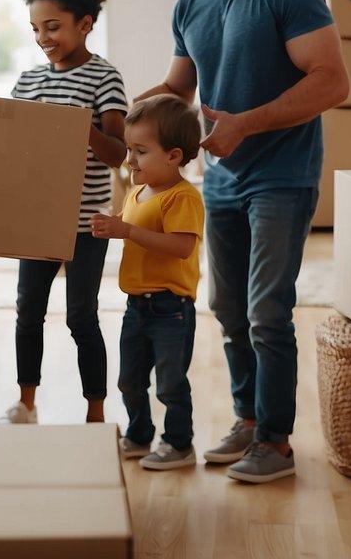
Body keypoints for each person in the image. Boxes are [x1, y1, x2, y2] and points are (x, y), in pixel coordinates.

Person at [138, 0, 349, 484]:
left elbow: (333, 82)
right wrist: (115, 112)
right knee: (227, 308)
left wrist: (245, 125)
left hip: (282, 173)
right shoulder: (192, 1)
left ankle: (278, 443)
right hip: (223, 178)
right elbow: (180, 89)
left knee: (267, 310)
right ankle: (249, 420)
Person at [0, 0, 128, 425]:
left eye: (52, 26)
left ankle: (95, 412)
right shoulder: (28, 82)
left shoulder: (104, 78)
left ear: (85, 23)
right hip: (37, 220)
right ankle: (26, 403)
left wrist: (79, 129)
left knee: (80, 316)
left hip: (86, 223)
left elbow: (117, 154)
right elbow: (12, 149)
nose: (43, 37)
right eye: (35, 28)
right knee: (27, 311)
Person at [90, 95, 205, 470]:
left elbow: (181, 247)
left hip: (171, 309)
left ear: (173, 156)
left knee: (170, 384)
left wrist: (127, 230)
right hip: (136, 306)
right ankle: (140, 436)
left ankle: (178, 444)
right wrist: (111, 226)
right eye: (129, 149)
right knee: (129, 380)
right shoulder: (139, 192)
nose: (129, 160)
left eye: (140, 151)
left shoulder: (183, 198)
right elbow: (129, 224)